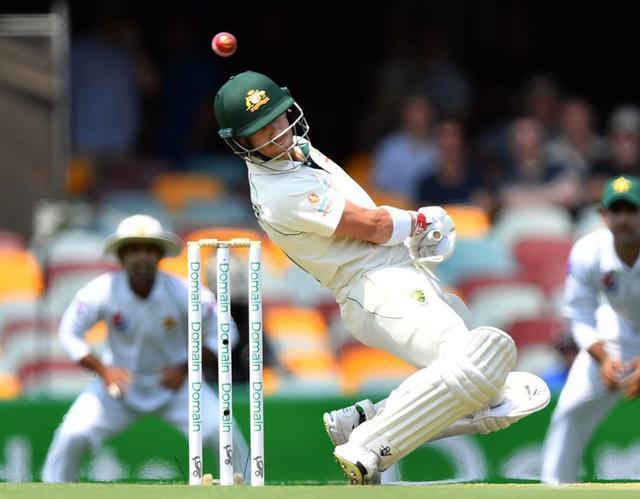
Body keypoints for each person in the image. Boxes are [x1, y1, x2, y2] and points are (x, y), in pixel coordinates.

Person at [212, 71, 550, 484]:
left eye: (278, 118)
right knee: (476, 364)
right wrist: (419, 221)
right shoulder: (279, 192)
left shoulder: (297, 151)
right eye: (259, 131)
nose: (275, 133)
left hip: (394, 273)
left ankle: (368, 419)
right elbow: (371, 225)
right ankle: (370, 443)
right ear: (240, 143)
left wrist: (410, 238)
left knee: (487, 389)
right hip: (374, 288)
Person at [41, 214, 248, 483]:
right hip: (120, 388)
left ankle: (246, 489)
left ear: (160, 254)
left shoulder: (183, 290)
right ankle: (53, 489)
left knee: (222, 430)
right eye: (134, 250)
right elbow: (69, 333)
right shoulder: (103, 290)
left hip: (176, 387)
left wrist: (187, 368)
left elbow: (226, 332)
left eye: (149, 249)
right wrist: (104, 371)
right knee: (72, 434)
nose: (142, 258)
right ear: (121, 256)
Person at [541, 175, 640, 484]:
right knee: (570, 411)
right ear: (603, 215)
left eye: (631, 210)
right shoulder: (588, 251)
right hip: (618, 336)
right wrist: (603, 358)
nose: (623, 218)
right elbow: (580, 315)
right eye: (615, 210)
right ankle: (555, 489)